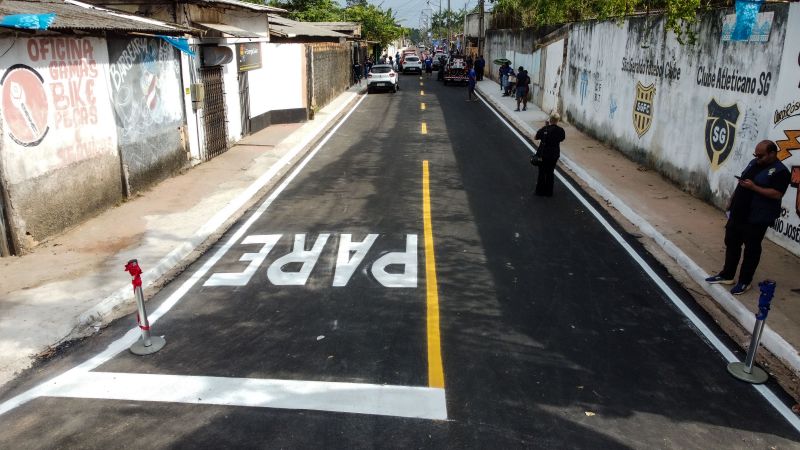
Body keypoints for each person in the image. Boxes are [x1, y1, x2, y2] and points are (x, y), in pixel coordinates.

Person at [705, 140, 790, 295]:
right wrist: (731, 200)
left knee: (751, 249)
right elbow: (742, 181)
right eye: (756, 155)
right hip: (738, 213)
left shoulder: (781, 171)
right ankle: (727, 275)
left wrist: (754, 187)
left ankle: (745, 281)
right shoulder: (753, 163)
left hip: (757, 217)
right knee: (731, 243)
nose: (758, 158)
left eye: (761, 156)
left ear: (772, 153)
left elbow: (777, 194)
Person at [533, 113, 565, 197]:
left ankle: (540, 191)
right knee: (550, 172)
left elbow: (535, 137)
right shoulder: (561, 130)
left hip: (543, 154)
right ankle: (549, 192)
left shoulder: (545, 129)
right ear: (558, 120)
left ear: (550, 120)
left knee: (542, 172)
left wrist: (546, 126)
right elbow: (562, 139)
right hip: (554, 154)